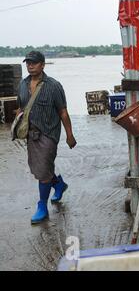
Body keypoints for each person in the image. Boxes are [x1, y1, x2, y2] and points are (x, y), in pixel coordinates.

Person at [17, 51, 77, 224]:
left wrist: (70, 135)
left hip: (49, 133)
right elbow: (21, 109)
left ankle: (41, 206)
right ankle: (58, 184)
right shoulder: (22, 84)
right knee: (39, 169)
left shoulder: (53, 85)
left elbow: (63, 112)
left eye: (34, 63)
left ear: (43, 65)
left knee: (43, 171)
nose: (30, 65)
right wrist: (17, 127)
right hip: (31, 134)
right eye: (28, 62)